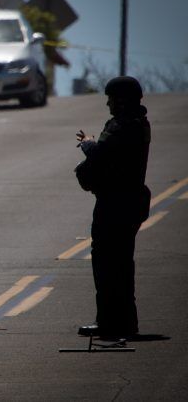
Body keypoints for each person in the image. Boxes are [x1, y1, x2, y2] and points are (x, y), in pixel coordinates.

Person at [75, 76, 151, 338]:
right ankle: (119, 322)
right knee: (117, 264)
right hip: (124, 203)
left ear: (122, 99)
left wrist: (88, 144)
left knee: (110, 265)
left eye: (111, 98)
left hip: (116, 204)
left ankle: (112, 323)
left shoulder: (125, 126)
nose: (108, 103)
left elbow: (103, 155)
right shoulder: (136, 124)